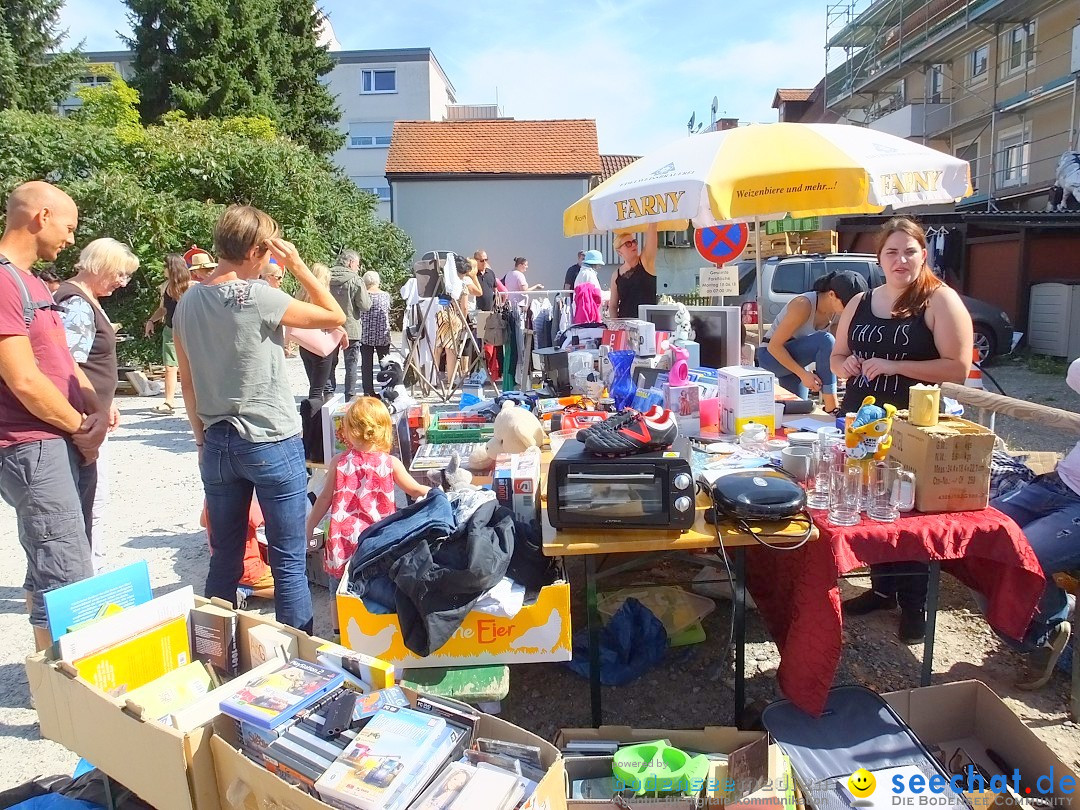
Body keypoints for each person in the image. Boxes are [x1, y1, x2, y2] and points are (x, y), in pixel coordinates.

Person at [173, 204, 344, 633]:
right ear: (254, 250)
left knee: (224, 557)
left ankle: (216, 655)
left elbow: (188, 383)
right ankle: (297, 661)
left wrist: (199, 441)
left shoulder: (187, 302)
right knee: (288, 559)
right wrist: (300, 266)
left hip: (216, 441)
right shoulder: (257, 295)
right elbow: (335, 317)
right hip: (270, 439)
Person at [831, 217, 973, 642]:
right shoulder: (860, 302)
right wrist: (848, 365)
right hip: (861, 422)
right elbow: (838, 356)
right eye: (891, 252)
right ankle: (881, 589)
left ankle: (916, 608)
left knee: (908, 515)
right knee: (872, 506)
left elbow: (958, 368)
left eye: (909, 251)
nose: (901, 260)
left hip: (913, 428)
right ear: (879, 258)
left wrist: (895, 366)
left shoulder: (939, 300)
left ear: (923, 255)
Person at [0, 181, 107, 651]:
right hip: (32, 442)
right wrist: (81, 428)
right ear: (40, 216)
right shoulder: (4, 282)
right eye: (68, 226)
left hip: (57, 439)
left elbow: (59, 357)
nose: (70, 238)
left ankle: (57, 683)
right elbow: (23, 379)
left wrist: (95, 407)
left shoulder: (33, 283)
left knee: (54, 560)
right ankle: (70, 695)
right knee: (66, 573)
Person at [968, 357, 1080, 690]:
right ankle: (1039, 632)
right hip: (1057, 483)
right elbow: (1075, 371)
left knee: (1020, 555)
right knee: (972, 537)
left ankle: (1048, 627)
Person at [305, 396, 429, 636]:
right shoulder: (390, 463)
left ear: (349, 431)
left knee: (337, 589)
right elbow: (414, 489)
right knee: (377, 584)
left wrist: (310, 527)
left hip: (342, 539)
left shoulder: (339, 462)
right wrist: (438, 491)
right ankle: (377, 629)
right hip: (376, 540)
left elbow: (324, 500)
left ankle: (339, 632)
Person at [56, 238, 138, 572]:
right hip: (83, 418)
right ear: (100, 264)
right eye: (119, 273)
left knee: (95, 497)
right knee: (87, 499)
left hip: (93, 413)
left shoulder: (84, 298)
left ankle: (89, 568)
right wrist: (97, 408)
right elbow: (68, 364)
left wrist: (108, 402)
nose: (122, 282)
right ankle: (86, 574)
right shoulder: (76, 302)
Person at [757, 271, 868, 413]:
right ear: (832, 295)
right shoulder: (803, 304)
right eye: (847, 305)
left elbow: (836, 351)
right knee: (825, 340)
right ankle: (832, 408)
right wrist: (803, 375)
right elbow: (774, 346)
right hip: (771, 356)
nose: (850, 310)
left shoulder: (837, 313)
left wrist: (838, 372)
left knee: (799, 411)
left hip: (796, 363)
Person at [144, 253, 192, 414]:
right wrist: (151, 321)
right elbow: (164, 308)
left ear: (172, 267)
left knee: (194, 366)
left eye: (165, 266)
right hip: (170, 330)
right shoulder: (166, 286)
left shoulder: (192, 286)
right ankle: (169, 401)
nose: (163, 269)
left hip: (189, 331)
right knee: (170, 367)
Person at [297, 261, 347, 399]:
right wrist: (341, 329)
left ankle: (316, 414)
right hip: (322, 344)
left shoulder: (301, 295)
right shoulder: (323, 297)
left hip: (305, 344)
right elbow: (333, 318)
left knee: (314, 384)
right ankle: (322, 417)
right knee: (323, 387)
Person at [328, 250, 371, 398]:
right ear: (351, 263)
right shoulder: (356, 280)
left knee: (329, 363)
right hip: (351, 328)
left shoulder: (326, 276)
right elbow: (365, 305)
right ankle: (350, 396)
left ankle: (328, 395)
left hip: (330, 327)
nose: (358, 268)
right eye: (358, 265)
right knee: (351, 364)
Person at [434, 254, 482, 386]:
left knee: (437, 347)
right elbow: (464, 307)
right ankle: (451, 380)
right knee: (451, 350)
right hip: (455, 317)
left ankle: (434, 378)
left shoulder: (445, 283)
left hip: (441, 315)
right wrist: (463, 320)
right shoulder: (462, 285)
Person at [609, 223, 659, 319]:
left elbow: (652, 234)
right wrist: (615, 326)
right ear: (619, 252)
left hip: (647, 323)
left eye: (634, 241)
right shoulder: (616, 274)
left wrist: (651, 219)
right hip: (625, 325)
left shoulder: (645, 262)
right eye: (628, 244)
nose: (633, 245)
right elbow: (613, 306)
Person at [359, 271, 391, 397]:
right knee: (384, 364)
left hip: (366, 334)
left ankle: (368, 391)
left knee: (366, 365)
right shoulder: (385, 296)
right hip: (382, 334)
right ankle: (386, 389)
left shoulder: (363, 296)